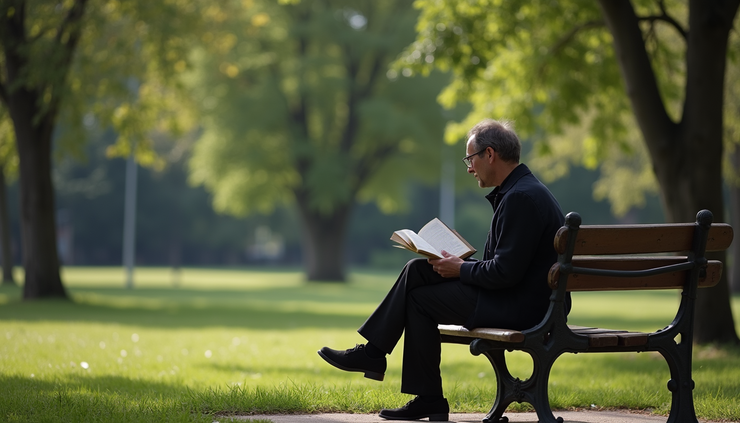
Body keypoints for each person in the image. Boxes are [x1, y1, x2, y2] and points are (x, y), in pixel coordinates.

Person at [318, 119, 566, 421]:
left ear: (489, 154)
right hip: (519, 299)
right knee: (416, 270)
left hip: (521, 308)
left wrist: (460, 269)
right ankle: (379, 358)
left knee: (419, 299)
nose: (469, 167)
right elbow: (509, 268)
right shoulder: (520, 191)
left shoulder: (520, 198)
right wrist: (456, 264)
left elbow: (505, 273)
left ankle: (402, 377)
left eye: (470, 158)